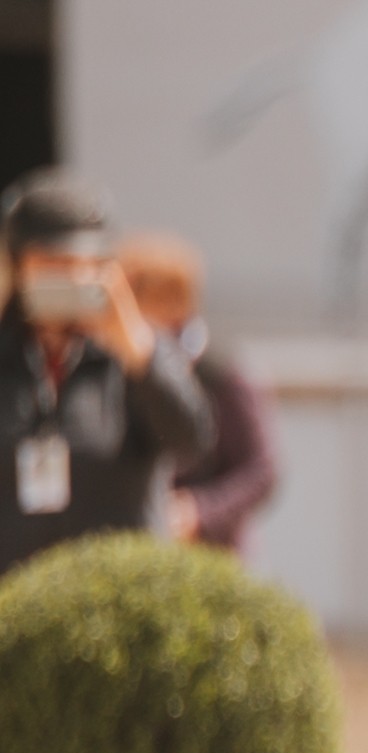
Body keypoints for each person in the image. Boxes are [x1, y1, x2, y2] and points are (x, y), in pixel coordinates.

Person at [0, 172, 210, 576]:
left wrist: (139, 355)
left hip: (117, 605)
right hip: (15, 606)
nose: (68, 277)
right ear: (19, 267)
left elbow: (192, 440)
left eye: (82, 265)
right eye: (51, 263)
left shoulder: (135, 354)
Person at [116, 234, 279, 555]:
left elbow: (261, 470)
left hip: (211, 554)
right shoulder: (119, 369)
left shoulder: (221, 373)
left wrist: (200, 512)